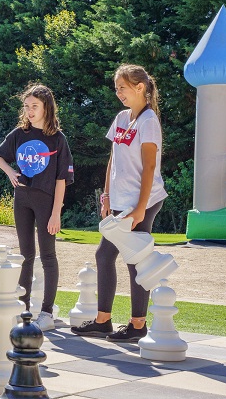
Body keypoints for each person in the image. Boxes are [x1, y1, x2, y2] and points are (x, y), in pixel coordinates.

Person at [72, 64, 168, 342]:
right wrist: (107, 195)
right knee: (106, 255)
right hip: (120, 202)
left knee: (133, 259)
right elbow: (113, 159)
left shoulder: (149, 121)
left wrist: (140, 207)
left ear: (140, 87)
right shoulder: (122, 118)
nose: (119, 94)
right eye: (116, 89)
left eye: (122, 88)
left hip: (142, 202)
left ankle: (137, 324)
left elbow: (149, 167)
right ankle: (104, 320)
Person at [0, 84, 74, 328]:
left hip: (46, 201)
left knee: (48, 255)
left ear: (46, 108)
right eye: (27, 106)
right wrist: (10, 172)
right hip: (22, 199)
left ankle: (47, 313)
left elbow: (62, 180)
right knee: (25, 255)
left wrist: (56, 213)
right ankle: (24, 309)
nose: (29, 111)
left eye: (34, 106)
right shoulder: (19, 134)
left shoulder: (58, 139)